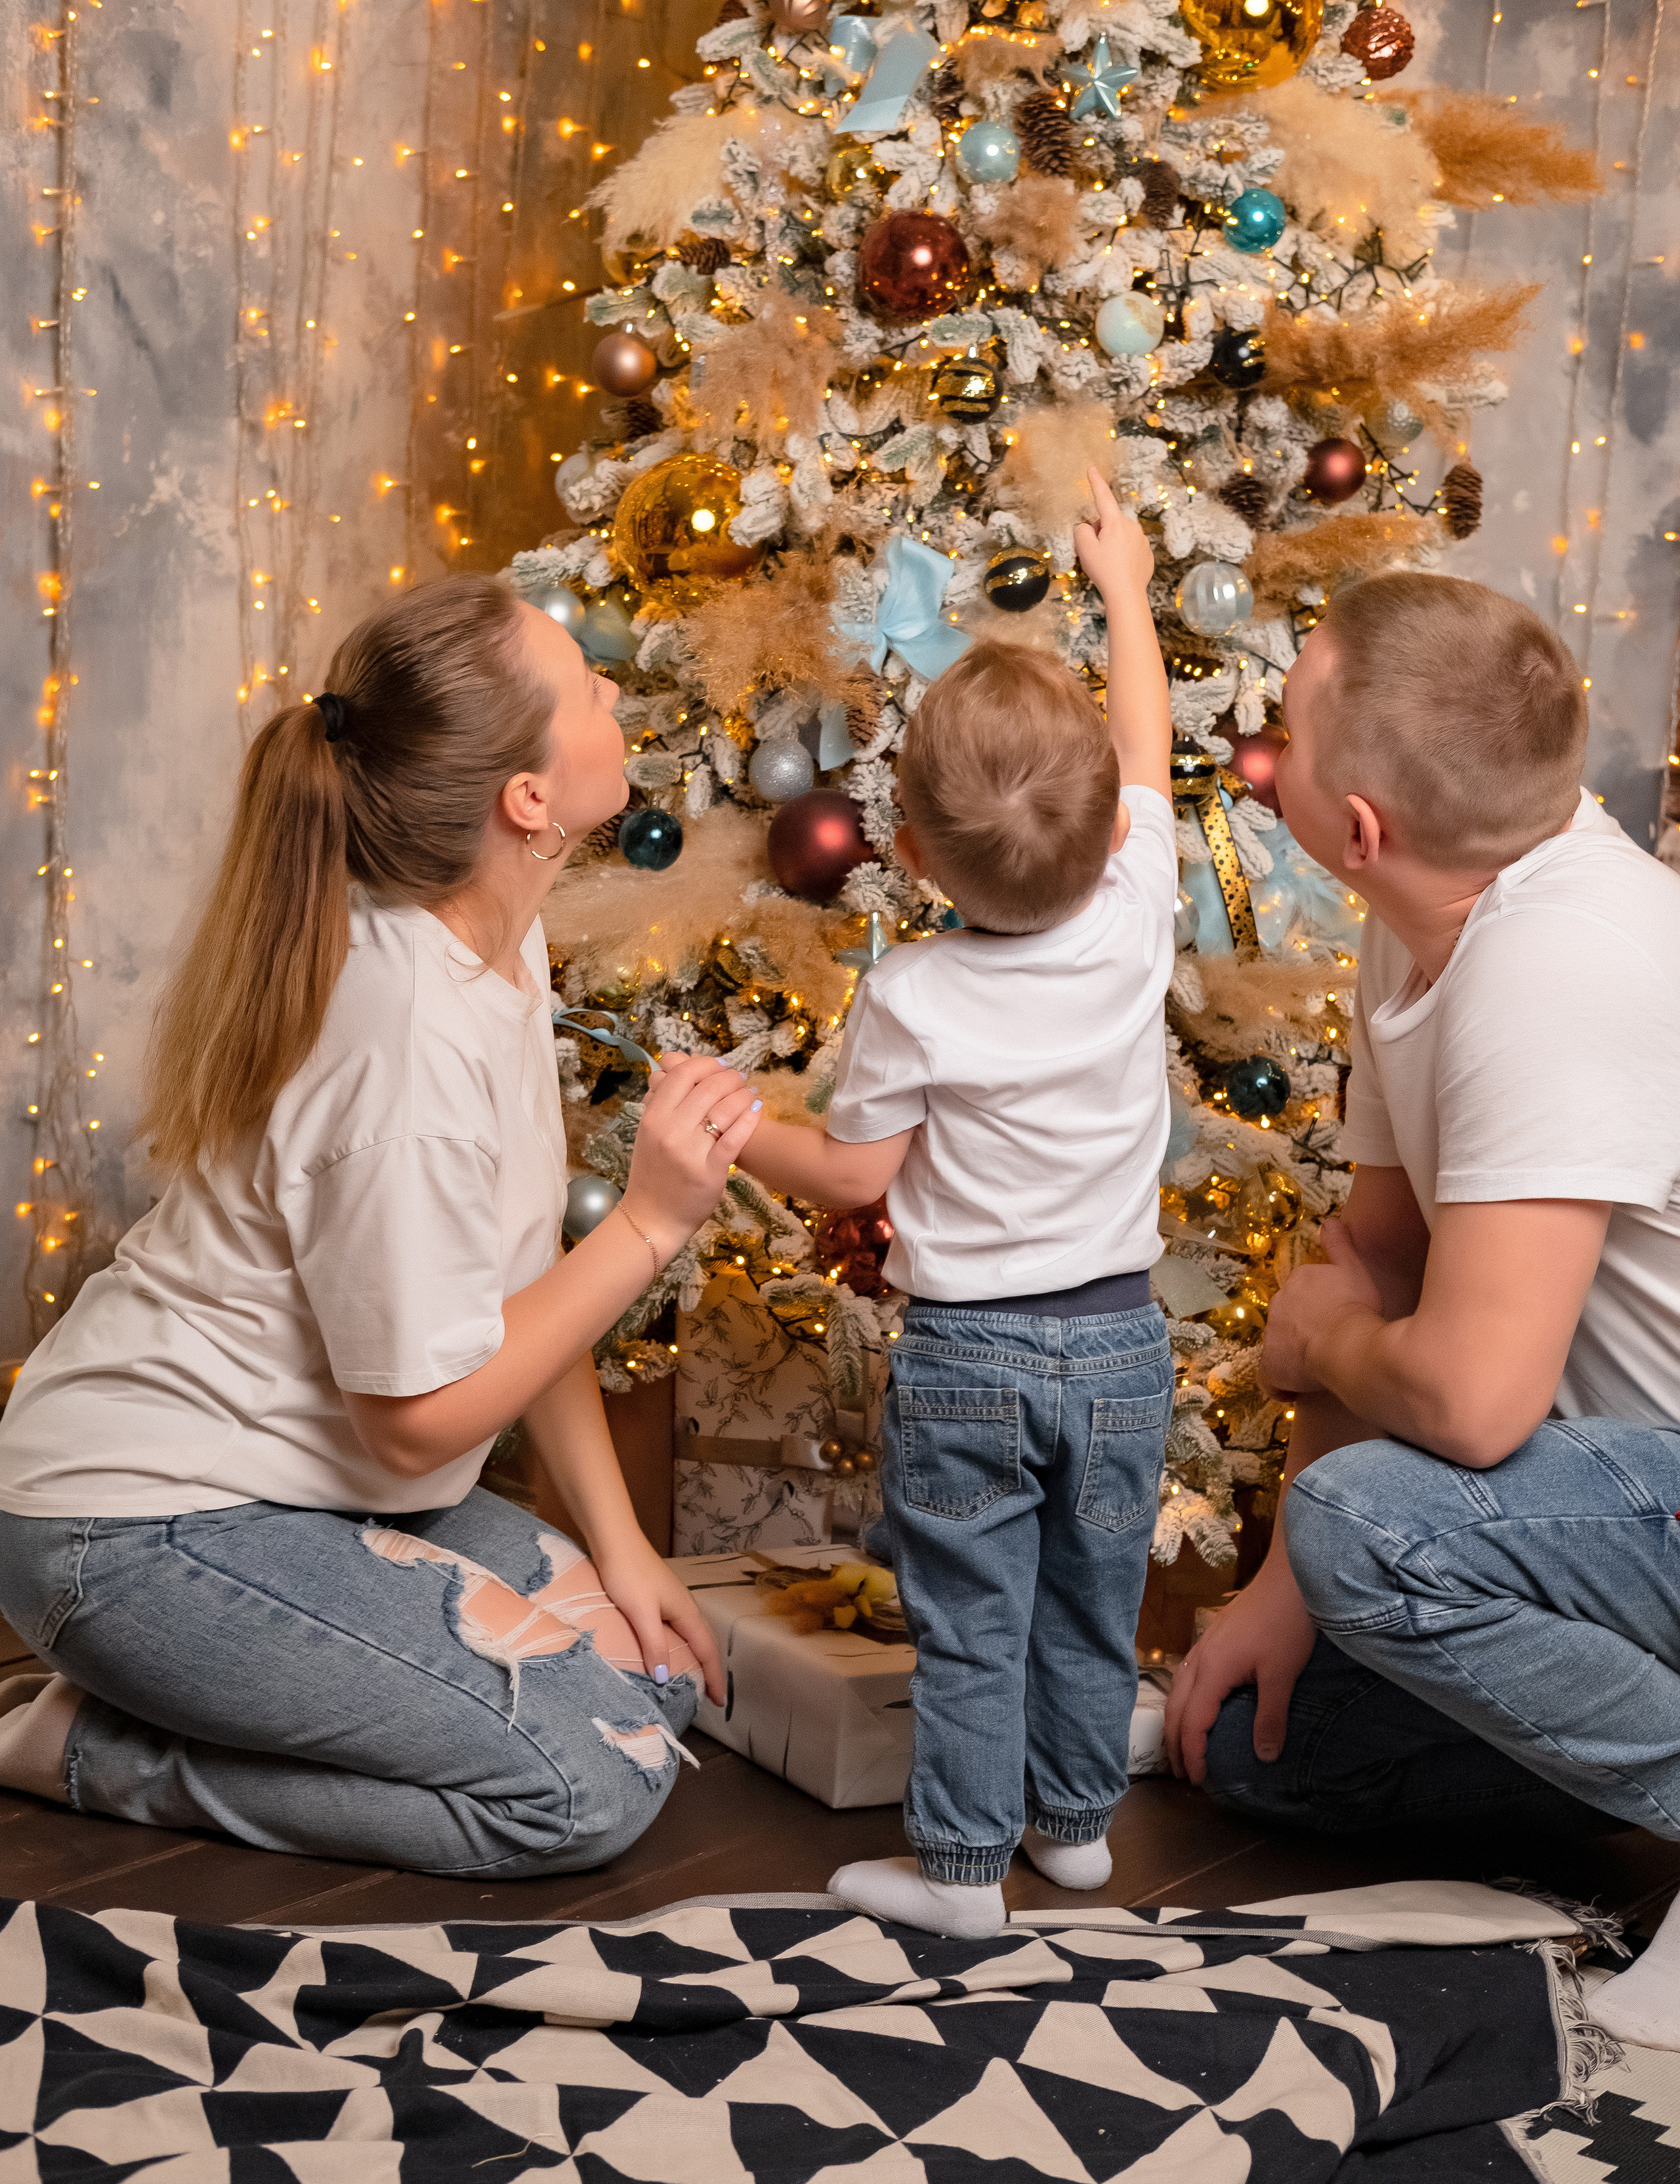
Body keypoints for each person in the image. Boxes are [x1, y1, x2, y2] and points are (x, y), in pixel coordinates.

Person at [0, 576, 763, 1877]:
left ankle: (223, 1690)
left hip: (304, 1501)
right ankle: (92, 1748)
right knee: (584, 1793)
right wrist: (647, 1225)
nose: (610, 693)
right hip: (130, 1531)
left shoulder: (492, 941)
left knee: (652, 1675)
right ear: (527, 798)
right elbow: (415, 1418)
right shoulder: (399, 1043)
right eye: (582, 682)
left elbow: (516, 1296)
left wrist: (626, 1551)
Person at [1160, 570, 1680, 2045]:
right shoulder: (1423, 916)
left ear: (1356, 826)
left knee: (1366, 1531)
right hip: (1588, 1525)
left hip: (1645, 1501)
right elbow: (1374, 1252)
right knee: (1268, 1755)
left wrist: (1318, 1347)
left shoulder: (1554, 960)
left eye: (1288, 720)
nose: (1265, 733)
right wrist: (1273, 1599)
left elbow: (1466, 1401)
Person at [728, 469, 1175, 1937]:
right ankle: (1076, 1834)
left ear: (908, 856)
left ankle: (962, 1874)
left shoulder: (913, 991)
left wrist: (737, 1128)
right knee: (1088, 1603)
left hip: (970, 1355)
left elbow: (856, 1177)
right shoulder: (1131, 912)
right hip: (1120, 1348)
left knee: (972, 1618)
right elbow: (1148, 752)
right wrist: (1119, 587)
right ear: (1111, 830)